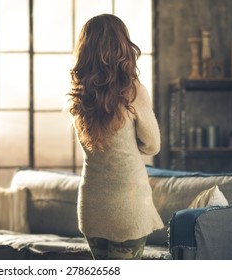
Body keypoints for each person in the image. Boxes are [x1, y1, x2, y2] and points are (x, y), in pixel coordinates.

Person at [67, 14, 163, 260]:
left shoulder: (80, 95)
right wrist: (131, 146)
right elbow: (152, 145)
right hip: (127, 207)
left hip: (91, 206)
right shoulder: (132, 91)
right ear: (122, 46)